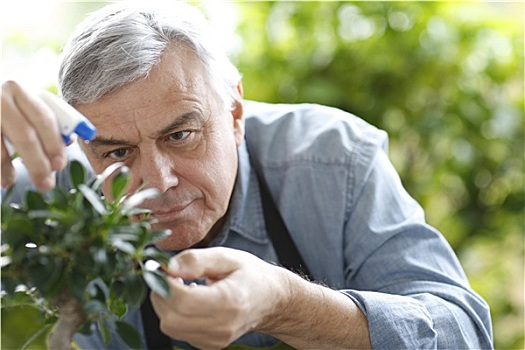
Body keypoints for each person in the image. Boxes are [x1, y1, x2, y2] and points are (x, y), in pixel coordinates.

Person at [1, 2, 493, 349]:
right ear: (84, 146)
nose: (158, 181)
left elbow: (466, 334)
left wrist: (285, 305)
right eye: (117, 152)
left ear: (235, 112)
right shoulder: (54, 188)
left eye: (181, 135)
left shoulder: (333, 161)